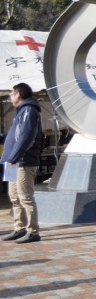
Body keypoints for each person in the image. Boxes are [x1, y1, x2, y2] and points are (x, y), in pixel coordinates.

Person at [0, 83, 43, 244]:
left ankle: (33, 231)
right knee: (14, 197)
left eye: (11, 93)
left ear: (18, 94)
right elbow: (13, 136)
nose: (10, 96)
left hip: (22, 161)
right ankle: (19, 228)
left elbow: (27, 136)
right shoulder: (21, 112)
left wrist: (14, 157)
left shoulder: (28, 111)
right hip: (13, 162)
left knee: (25, 196)